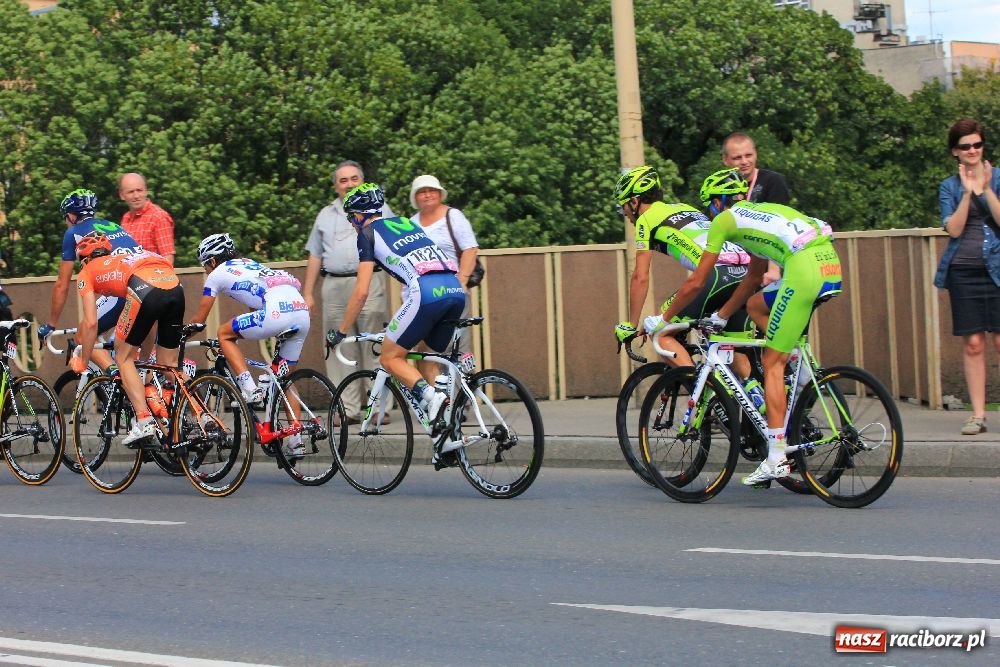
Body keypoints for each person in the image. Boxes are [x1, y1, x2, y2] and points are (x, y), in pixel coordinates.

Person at [643, 169, 841, 486]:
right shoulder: (757, 217)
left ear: (718, 203)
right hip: (828, 262)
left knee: (770, 363)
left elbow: (696, 282)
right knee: (756, 305)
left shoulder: (725, 220)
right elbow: (752, 279)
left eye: (709, 207)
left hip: (804, 269)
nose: (709, 214)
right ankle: (796, 362)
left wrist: (664, 321)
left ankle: (777, 457)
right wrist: (721, 315)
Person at [326, 183, 465, 455]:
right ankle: (445, 435)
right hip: (454, 288)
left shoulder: (366, 233)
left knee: (390, 358)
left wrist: (341, 331)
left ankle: (431, 398)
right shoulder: (404, 222)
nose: (352, 223)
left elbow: (362, 291)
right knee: (427, 360)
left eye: (351, 217)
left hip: (425, 293)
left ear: (358, 215)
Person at [611, 166, 755, 383]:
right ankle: (753, 401)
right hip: (744, 272)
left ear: (635, 201)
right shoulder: (685, 207)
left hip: (715, 274)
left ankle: (701, 391)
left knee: (661, 332)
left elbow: (640, 276)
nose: (625, 214)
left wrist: (631, 325)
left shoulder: (646, 219)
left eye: (624, 206)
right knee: (734, 350)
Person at [190, 233, 311, 455]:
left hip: (276, 313)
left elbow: (200, 319)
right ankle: (296, 441)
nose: (206, 270)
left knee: (224, 334)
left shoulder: (216, 274)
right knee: (283, 379)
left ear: (213, 261)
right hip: (301, 311)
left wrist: (182, 335)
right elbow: (256, 301)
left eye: (205, 265)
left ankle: (249, 388)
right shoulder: (250, 264)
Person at [71, 233, 185, 446]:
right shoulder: (124, 259)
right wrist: (144, 359)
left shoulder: (86, 272)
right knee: (169, 366)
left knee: (123, 357)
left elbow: (90, 323)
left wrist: (84, 362)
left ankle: (143, 420)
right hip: (175, 287)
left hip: (146, 290)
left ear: (84, 259)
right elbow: (150, 321)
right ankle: (203, 413)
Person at [303, 161, 393, 422]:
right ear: (335, 185)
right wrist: (308, 293)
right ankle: (348, 409)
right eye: (343, 180)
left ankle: (379, 408)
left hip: (370, 281)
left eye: (354, 178)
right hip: (334, 285)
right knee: (337, 345)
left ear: (362, 180)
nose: (349, 183)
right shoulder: (325, 214)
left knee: (374, 343)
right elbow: (315, 255)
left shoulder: (380, 206)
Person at [934, 118, 1000, 436]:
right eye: (965, 146)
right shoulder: (948, 186)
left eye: (977, 144)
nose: (972, 150)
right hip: (963, 270)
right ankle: (977, 415)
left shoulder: (997, 177)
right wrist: (965, 193)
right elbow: (955, 229)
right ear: (955, 152)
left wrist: (985, 190)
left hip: (997, 267)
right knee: (973, 343)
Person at [38, 189, 144, 371]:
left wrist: (50, 325)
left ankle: (116, 378)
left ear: (71, 216)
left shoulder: (73, 233)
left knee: (83, 336)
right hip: (149, 284)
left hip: (123, 289)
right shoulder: (113, 226)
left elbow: (62, 284)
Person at [409, 174, 479, 381]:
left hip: (453, 292)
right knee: (425, 353)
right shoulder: (411, 224)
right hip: (425, 298)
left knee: (458, 348)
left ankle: (463, 402)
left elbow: (470, 248)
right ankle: (439, 406)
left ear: (440, 193)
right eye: (422, 191)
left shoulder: (453, 216)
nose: (427, 194)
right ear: (415, 197)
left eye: (431, 190)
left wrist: (462, 281)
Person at [723, 132, 790, 297]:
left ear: (756, 154)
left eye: (749, 155)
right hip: (735, 270)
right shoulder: (720, 186)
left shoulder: (772, 181)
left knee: (768, 320)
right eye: (737, 157)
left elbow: (779, 226)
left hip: (768, 269)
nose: (745, 161)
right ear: (726, 160)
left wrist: (774, 270)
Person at [119, 172, 176, 265]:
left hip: (153, 277)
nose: (136, 196)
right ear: (122, 195)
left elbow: (168, 259)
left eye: (139, 190)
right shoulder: (125, 219)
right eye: (131, 192)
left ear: (146, 191)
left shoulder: (159, 217)